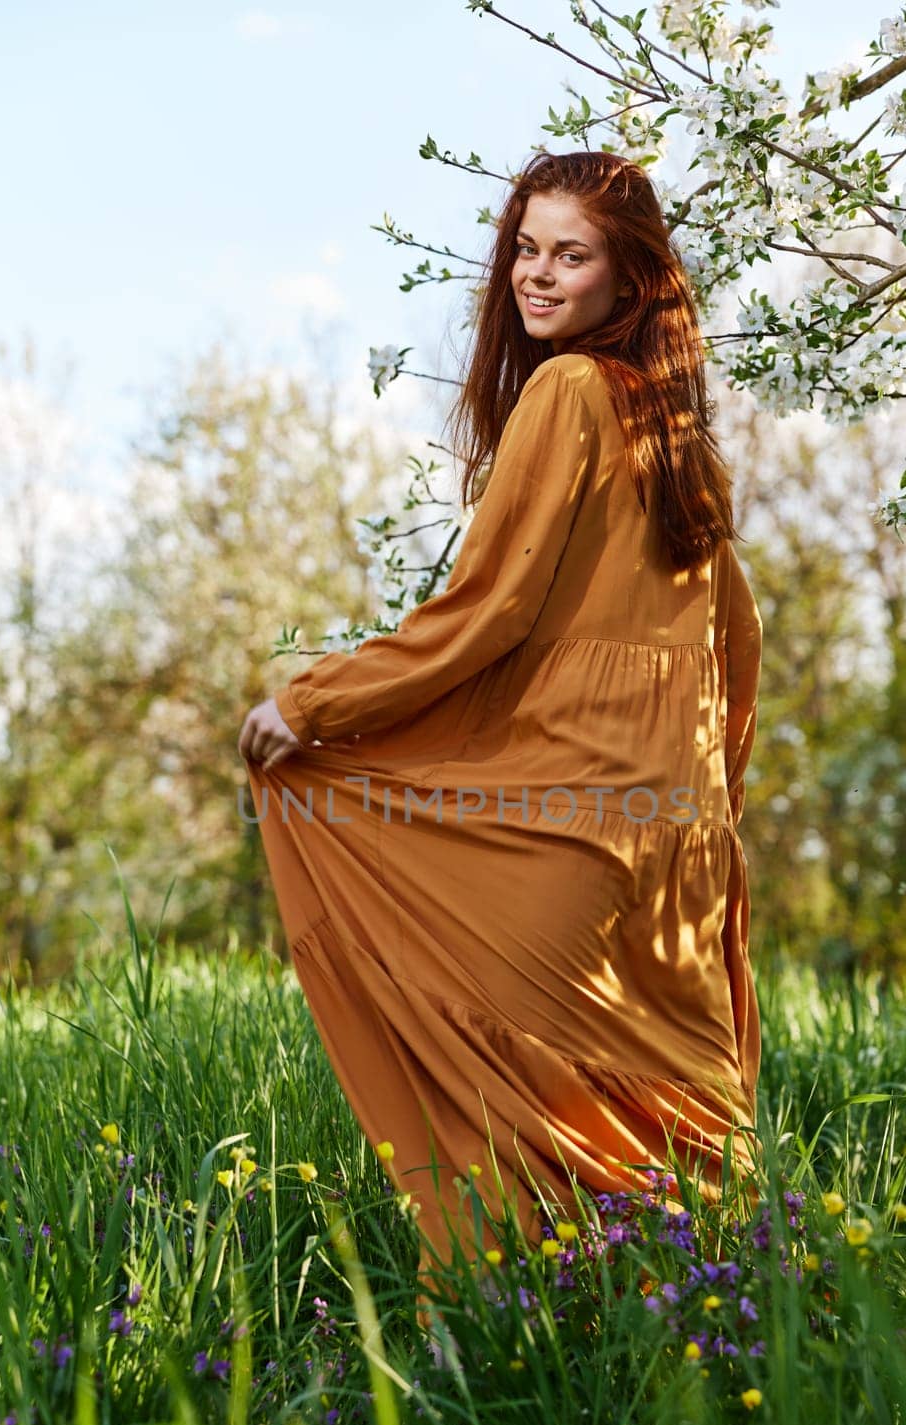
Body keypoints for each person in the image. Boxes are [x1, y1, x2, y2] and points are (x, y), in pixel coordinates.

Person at [238, 151, 764, 1333]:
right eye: (525, 248)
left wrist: (312, 708)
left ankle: (515, 1341)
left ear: (629, 277)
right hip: (672, 832)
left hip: (572, 813)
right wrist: (709, 807)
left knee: (495, 1083)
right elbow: (738, 640)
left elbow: (486, 609)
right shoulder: (679, 436)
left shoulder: (570, 393)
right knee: (666, 1124)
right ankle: (710, 1342)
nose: (536, 275)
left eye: (569, 255)